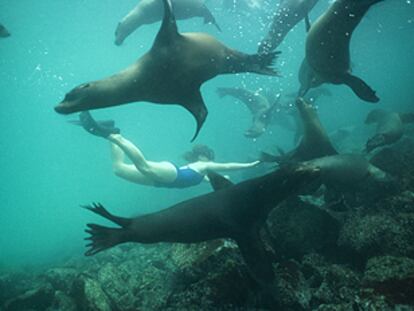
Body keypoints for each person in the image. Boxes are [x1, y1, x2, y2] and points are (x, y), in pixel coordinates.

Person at [75, 111, 261, 188]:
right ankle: (115, 137)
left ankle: (112, 129)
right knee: (144, 165)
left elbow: (219, 178)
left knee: (119, 169)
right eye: (210, 158)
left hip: (162, 181)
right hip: (171, 175)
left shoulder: (203, 175)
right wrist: (249, 165)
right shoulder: (202, 165)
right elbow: (227, 166)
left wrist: (228, 181)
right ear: (205, 156)